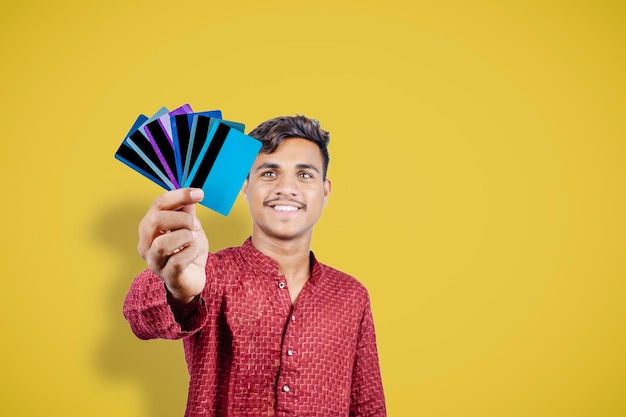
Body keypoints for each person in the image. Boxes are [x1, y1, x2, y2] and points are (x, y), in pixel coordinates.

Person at [123, 115, 386, 417]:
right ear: (246, 187)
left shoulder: (352, 296)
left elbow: (368, 405)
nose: (286, 188)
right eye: (270, 173)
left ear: (325, 191)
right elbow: (139, 317)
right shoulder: (210, 274)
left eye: (304, 175)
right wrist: (177, 289)